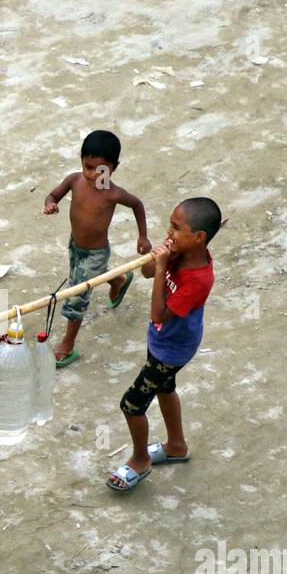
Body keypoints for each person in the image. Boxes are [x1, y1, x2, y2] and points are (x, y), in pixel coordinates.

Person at [108, 198, 220, 492]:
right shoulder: (180, 250)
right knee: (165, 388)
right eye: (170, 224)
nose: (168, 232)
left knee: (131, 404)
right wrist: (157, 258)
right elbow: (147, 274)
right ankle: (176, 446)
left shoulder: (198, 279)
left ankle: (140, 460)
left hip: (171, 350)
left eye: (176, 227)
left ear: (199, 238)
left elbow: (158, 313)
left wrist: (161, 268)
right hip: (161, 340)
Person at [43, 130, 152, 366]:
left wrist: (142, 236)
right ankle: (117, 280)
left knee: (76, 296)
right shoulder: (74, 180)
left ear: (114, 167)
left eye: (101, 169)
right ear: (81, 160)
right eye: (88, 166)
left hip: (95, 253)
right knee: (87, 277)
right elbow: (53, 194)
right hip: (76, 246)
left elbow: (137, 205)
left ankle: (68, 345)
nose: (93, 175)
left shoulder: (113, 194)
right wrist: (50, 203)